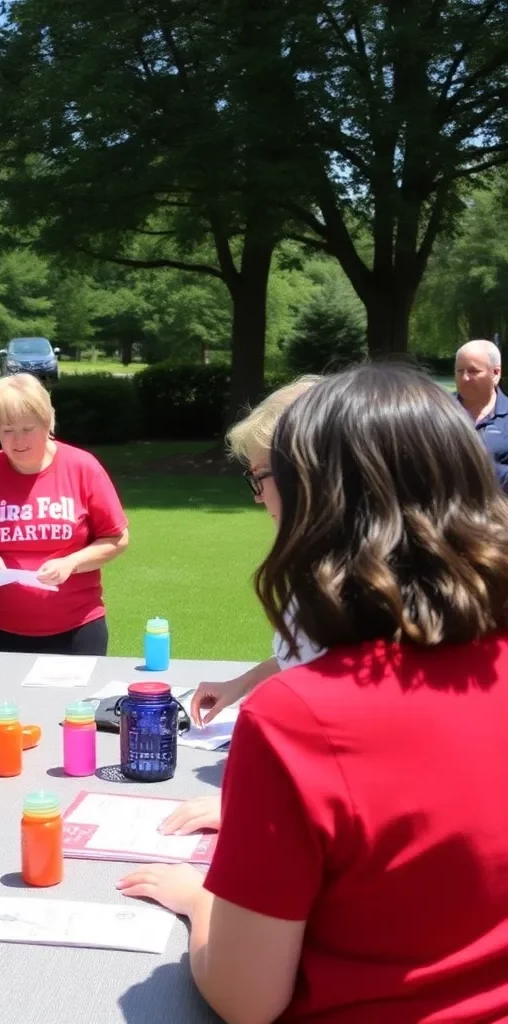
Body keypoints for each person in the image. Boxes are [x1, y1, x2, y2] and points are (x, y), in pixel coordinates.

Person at [118, 363, 508, 1023]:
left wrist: (198, 900)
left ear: (317, 507)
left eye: (271, 482)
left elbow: (246, 999)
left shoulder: (299, 716)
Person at [162, 376, 324, 836]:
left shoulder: (358, 576)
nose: (256, 496)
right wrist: (243, 683)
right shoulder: (322, 555)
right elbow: (315, 653)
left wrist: (253, 809)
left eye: (260, 476)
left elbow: (366, 745)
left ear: (302, 470)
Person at [0, 373, 129, 658]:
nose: (19, 440)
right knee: (2, 704)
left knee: (75, 705)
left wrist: (72, 563)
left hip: (77, 627)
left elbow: (117, 538)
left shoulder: (82, 467)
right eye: (7, 430)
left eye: (28, 428)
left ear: (48, 422)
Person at [454, 338, 508, 490]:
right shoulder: (440, 411)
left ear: (496, 373)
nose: (464, 378)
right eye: (459, 371)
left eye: (473, 371)